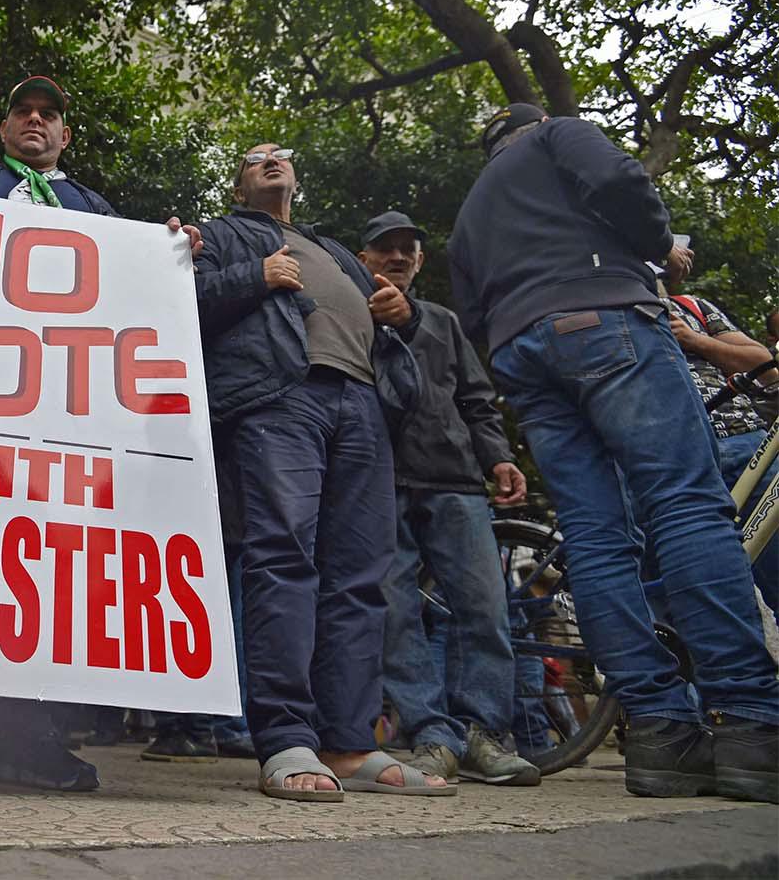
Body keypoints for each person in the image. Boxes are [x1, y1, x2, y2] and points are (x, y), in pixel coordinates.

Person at [0, 76, 201, 791]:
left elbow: (131, 301)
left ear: (65, 137)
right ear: (3, 128)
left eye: (50, 114)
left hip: (57, 416)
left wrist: (173, 255)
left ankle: (29, 740)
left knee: (42, 567)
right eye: (23, 110)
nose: (36, 120)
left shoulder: (96, 210)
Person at [448, 102, 778, 803]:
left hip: (520, 355)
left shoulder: (474, 206)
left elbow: (470, 311)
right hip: (606, 317)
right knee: (686, 506)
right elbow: (624, 184)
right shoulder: (559, 133)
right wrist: (653, 250)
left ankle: (662, 732)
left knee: (598, 541)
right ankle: (752, 722)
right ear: (532, 125)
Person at [194, 143, 451, 801]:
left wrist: (403, 315)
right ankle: (283, 737)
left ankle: (348, 740)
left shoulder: (333, 249)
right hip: (280, 396)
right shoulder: (225, 235)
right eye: (256, 159)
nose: (272, 160)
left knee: (362, 576)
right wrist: (256, 275)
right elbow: (184, 302)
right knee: (282, 556)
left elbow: (387, 326)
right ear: (239, 185)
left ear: (297, 178)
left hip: (361, 402)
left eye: (282, 155)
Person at [355, 210, 540, 787]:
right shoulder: (347, 313)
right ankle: (433, 736)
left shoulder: (443, 322)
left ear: (421, 261)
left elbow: (477, 399)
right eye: (386, 249)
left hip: (455, 480)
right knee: (395, 615)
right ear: (363, 259)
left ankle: (484, 736)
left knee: (485, 608)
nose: (399, 258)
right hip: (379, 483)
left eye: (409, 250)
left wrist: (499, 457)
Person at [661, 291, 778, 611]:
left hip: (743, 442)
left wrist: (695, 340)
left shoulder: (690, 306)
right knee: (703, 598)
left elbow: (765, 367)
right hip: (667, 461)